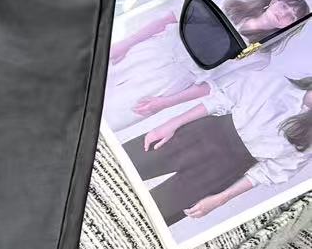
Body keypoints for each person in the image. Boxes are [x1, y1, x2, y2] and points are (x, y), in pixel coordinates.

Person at [121, 71, 312, 226]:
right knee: (123, 163)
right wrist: (172, 123)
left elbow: (269, 173)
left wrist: (221, 199)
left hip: (221, 172)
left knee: (153, 215)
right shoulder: (273, 82)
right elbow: (219, 101)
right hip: (197, 136)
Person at [104, 0, 310, 130]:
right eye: (284, 6)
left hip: (170, 82)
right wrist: (126, 43)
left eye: (291, 17)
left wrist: (165, 103)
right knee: (93, 79)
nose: (283, 13)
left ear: (289, 27)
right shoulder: (226, 6)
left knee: (111, 116)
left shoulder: (259, 56)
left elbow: (210, 86)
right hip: (152, 51)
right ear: (274, 1)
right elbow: (169, 19)